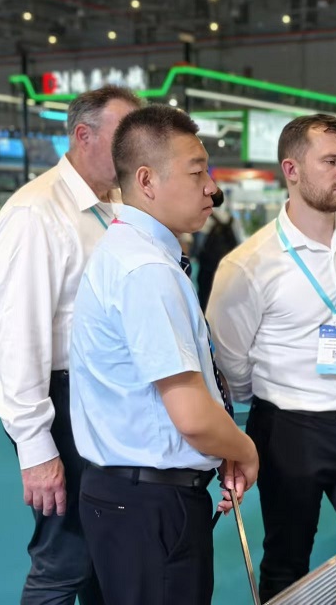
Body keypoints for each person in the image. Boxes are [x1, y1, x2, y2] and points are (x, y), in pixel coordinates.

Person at [206, 114, 336, 601]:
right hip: (290, 433)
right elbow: (230, 361)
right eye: (331, 161)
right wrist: (275, 400)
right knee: (287, 561)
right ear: (291, 170)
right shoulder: (247, 265)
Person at [69, 105, 259, 604]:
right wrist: (244, 449)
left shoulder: (129, 251)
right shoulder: (146, 271)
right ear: (147, 180)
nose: (211, 188)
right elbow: (191, 415)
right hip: (151, 507)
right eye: (197, 173)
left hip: (130, 499)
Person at [0, 85, 143, 605]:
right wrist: (36, 447)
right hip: (64, 405)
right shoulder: (38, 213)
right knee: (64, 560)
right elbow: (15, 337)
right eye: (124, 136)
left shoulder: (115, 205)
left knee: (106, 555)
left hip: (110, 402)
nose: (136, 149)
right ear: (83, 135)